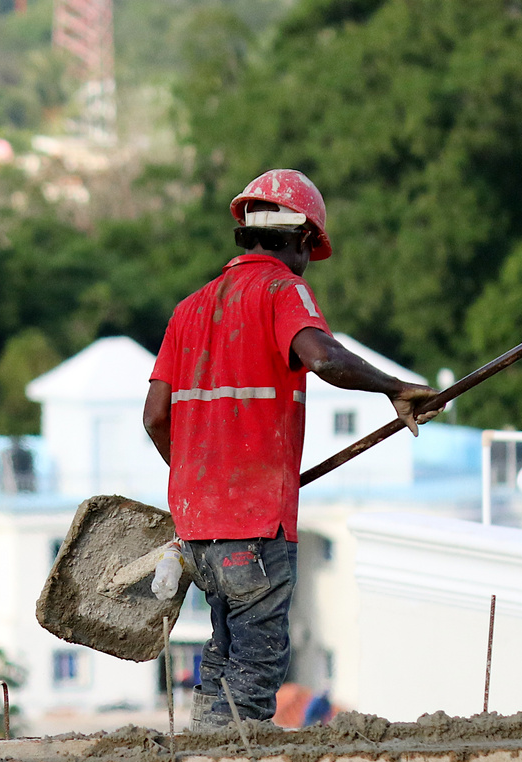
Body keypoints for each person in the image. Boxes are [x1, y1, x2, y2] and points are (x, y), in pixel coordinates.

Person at [142, 168, 439, 728]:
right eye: (310, 248)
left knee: (224, 657)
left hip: (199, 527)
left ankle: (204, 758)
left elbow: (155, 416)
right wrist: (397, 389)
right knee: (255, 672)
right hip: (256, 524)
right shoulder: (281, 289)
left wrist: (201, 484)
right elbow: (323, 357)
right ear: (300, 239)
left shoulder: (188, 309)